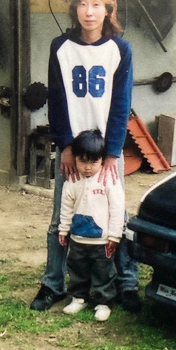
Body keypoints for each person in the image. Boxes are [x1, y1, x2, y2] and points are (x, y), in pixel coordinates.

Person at [29, 0, 141, 313]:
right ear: (74, 8)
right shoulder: (60, 47)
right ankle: (53, 284)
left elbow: (121, 104)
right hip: (74, 151)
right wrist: (63, 144)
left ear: (108, 10)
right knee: (61, 217)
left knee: (115, 216)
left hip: (107, 151)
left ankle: (126, 284)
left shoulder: (120, 49)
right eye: (82, 4)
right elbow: (58, 99)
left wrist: (112, 152)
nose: (88, 12)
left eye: (96, 5)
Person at [58, 130, 125, 322]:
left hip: (103, 240)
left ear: (102, 160)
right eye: (83, 161)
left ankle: (104, 302)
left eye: (93, 162)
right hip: (78, 238)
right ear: (75, 159)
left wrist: (114, 235)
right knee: (77, 269)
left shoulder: (109, 180)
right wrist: (64, 229)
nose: (87, 167)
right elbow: (66, 207)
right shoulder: (72, 181)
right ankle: (79, 298)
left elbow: (117, 208)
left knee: (104, 271)